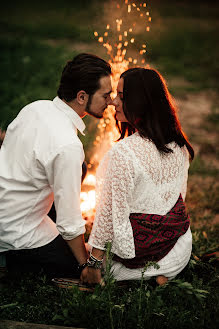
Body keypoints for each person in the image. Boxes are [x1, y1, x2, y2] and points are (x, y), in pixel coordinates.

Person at [0, 53, 112, 280]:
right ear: (82, 97)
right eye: (105, 95)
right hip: (15, 235)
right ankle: (9, 262)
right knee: (83, 263)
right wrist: (84, 265)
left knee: (79, 168)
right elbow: (70, 222)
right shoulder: (67, 145)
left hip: (7, 206)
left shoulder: (35, 108)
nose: (110, 101)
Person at [83, 67, 194, 285]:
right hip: (179, 250)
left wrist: (93, 266)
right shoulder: (178, 144)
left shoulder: (123, 153)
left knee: (76, 252)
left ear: (141, 103)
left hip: (139, 259)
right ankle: (162, 276)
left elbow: (107, 215)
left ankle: (143, 277)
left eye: (121, 97)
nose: (113, 102)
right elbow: (179, 197)